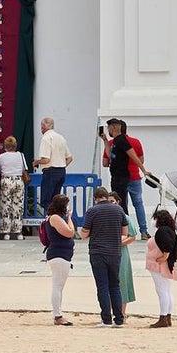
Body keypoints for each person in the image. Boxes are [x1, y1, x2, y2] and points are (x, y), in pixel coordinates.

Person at [80, 186, 129, 327]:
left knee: (102, 287)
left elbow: (84, 234)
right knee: (115, 285)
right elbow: (124, 232)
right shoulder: (119, 210)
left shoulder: (92, 211)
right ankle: (119, 319)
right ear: (107, 197)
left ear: (96, 199)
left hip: (98, 252)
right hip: (115, 252)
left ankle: (106, 319)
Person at [101, 118, 148, 214]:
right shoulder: (114, 142)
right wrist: (105, 140)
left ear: (113, 128)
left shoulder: (122, 141)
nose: (108, 131)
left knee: (121, 204)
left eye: (109, 128)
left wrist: (144, 170)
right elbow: (110, 155)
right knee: (121, 203)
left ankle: (125, 226)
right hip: (116, 176)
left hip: (122, 177)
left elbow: (133, 156)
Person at [145, 208, 177, 328]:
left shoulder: (163, 231)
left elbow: (167, 247)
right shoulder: (170, 230)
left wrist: (164, 257)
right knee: (167, 291)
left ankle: (163, 317)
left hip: (160, 265)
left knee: (162, 291)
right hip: (163, 264)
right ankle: (167, 316)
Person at [45, 193, 76, 326]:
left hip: (61, 254)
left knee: (59, 286)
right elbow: (70, 232)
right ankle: (57, 315)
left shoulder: (55, 218)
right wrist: (69, 218)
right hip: (59, 255)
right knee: (57, 286)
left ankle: (58, 313)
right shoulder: (56, 218)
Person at [33, 116, 72, 213]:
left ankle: (50, 223)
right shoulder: (61, 137)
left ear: (42, 126)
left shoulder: (46, 138)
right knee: (56, 201)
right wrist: (60, 165)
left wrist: (36, 162)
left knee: (47, 202)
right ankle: (57, 221)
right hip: (61, 171)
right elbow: (70, 158)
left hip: (50, 172)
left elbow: (46, 159)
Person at [111, 190, 138, 319]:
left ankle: (122, 312)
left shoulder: (124, 217)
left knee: (122, 281)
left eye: (112, 201)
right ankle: (112, 310)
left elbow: (132, 236)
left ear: (118, 202)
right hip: (108, 252)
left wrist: (120, 243)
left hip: (121, 253)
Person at [0, 136, 26, 240]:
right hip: (18, 180)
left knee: (5, 206)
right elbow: (24, 168)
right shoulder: (20, 155)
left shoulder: (2, 156)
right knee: (18, 206)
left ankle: (6, 232)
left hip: (6, 180)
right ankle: (18, 232)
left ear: (5, 146)